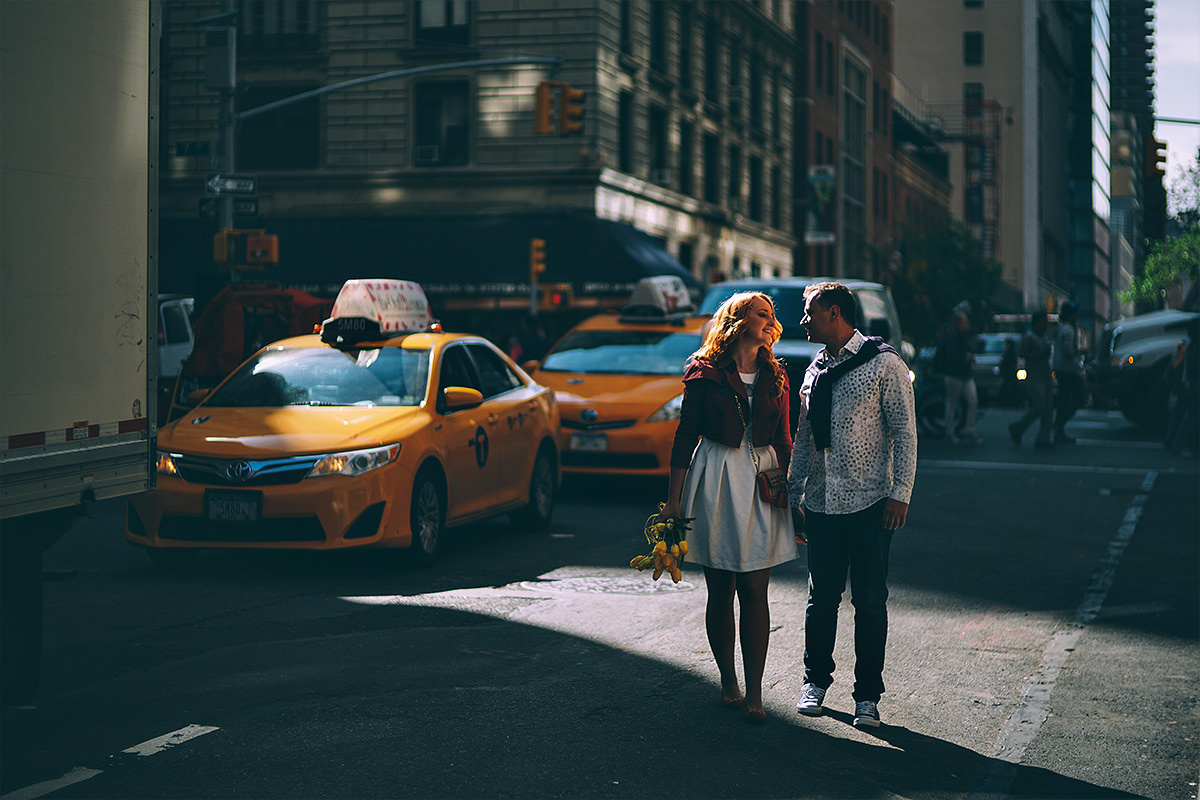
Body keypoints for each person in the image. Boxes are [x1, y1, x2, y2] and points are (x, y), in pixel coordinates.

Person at [660, 292, 799, 724]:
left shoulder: (777, 374)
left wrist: (791, 491)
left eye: (772, 316)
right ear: (739, 321)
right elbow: (685, 437)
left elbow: (786, 437)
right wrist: (673, 501)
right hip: (717, 475)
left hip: (763, 479)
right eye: (762, 313)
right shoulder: (704, 373)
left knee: (755, 590)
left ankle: (756, 690)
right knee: (721, 590)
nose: (770, 321)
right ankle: (728, 680)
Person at [788, 282, 917, 729]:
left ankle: (867, 697)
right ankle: (815, 681)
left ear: (835, 312)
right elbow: (803, 438)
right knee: (820, 600)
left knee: (869, 601)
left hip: (870, 503)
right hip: (822, 503)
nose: (803, 320)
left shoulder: (884, 364)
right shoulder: (814, 370)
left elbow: (905, 432)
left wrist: (901, 493)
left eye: (810, 312)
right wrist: (793, 495)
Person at [1008, 311, 1055, 448]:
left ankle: (1044, 438)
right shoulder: (1029, 336)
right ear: (1037, 322)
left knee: (1048, 409)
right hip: (1035, 377)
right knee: (1040, 405)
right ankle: (1018, 427)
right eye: (1043, 321)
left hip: (1045, 376)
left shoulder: (1043, 337)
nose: (1045, 324)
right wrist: (1040, 354)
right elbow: (1022, 353)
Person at [938, 306, 983, 445]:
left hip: (964, 374)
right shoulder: (953, 337)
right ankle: (950, 432)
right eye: (965, 321)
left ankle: (969, 430)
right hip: (955, 375)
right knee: (953, 403)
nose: (967, 324)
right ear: (958, 323)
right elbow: (951, 355)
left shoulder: (963, 336)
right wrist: (966, 356)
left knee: (972, 401)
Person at [1052, 301, 1084, 444]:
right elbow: (1069, 351)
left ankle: (1059, 428)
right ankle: (1059, 424)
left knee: (1064, 400)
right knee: (1078, 398)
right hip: (1069, 370)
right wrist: (1082, 351)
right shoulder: (1068, 330)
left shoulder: (1061, 329)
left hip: (1061, 369)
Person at [999, 338, 1019, 406]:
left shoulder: (1010, 352)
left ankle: (1006, 401)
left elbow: (1009, 363)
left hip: (1009, 372)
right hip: (1009, 372)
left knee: (1007, 386)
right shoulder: (1010, 352)